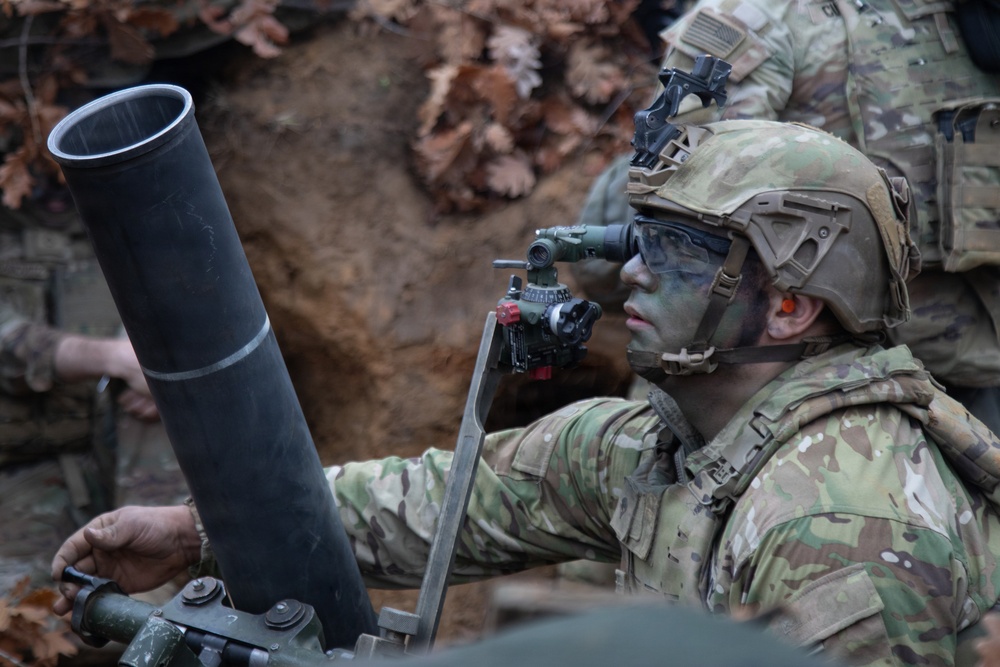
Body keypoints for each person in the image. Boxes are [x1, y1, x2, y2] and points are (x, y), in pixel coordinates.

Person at [51, 120, 1000, 666]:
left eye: (677, 254)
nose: (630, 273)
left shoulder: (847, 528)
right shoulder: (664, 440)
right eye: (639, 240)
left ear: (791, 308)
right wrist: (195, 532)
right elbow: (449, 498)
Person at [573, 0, 1000, 431]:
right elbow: (667, 225)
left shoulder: (758, 17)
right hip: (806, 392)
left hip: (928, 387)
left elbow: (653, 234)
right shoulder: (766, 17)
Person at [0, 186, 188, 594]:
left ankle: (164, 595)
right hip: (21, 470)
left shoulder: (132, 223)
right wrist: (115, 358)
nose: (46, 184)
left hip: (118, 454)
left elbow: (191, 304)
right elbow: (10, 345)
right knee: (31, 621)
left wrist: (155, 364)